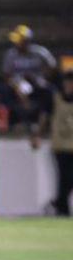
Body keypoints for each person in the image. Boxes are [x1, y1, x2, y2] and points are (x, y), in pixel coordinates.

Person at [2, 24, 57, 131]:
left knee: (50, 92)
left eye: (20, 40)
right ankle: (15, 122)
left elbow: (52, 66)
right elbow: (7, 75)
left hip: (37, 83)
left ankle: (45, 122)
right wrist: (16, 86)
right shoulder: (11, 54)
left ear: (27, 41)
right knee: (4, 91)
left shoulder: (40, 52)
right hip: (18, 85)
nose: (17, 43)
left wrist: (44, 77)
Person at [38, 69, 73, 217]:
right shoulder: (55, 98)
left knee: (69, 180)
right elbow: (44, 118)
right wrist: (38, 135)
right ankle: (62, 210)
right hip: (60, 146)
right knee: (64, 179)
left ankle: (57, 203)